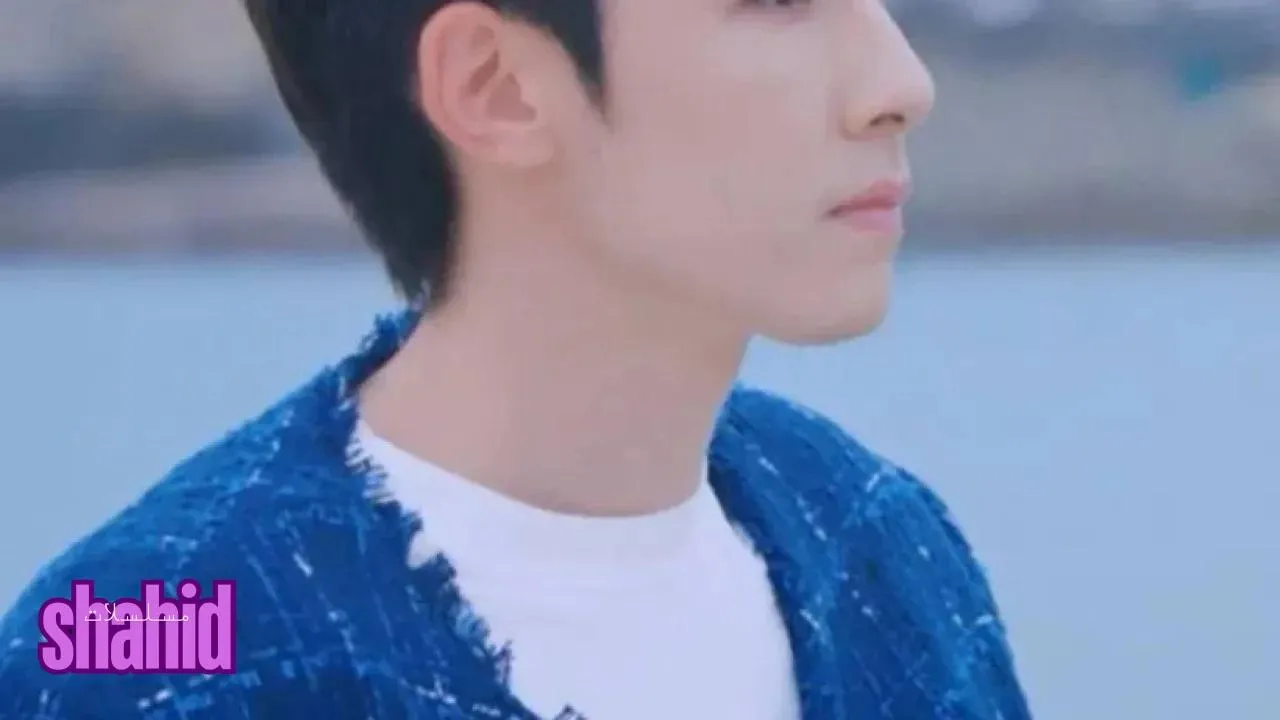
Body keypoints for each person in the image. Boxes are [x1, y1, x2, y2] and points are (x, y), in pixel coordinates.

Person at [0, 0, 1031, 717]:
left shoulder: (878, 541)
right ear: (495, 87)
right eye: (776, 1)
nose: (902, 83)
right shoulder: (138, 647)